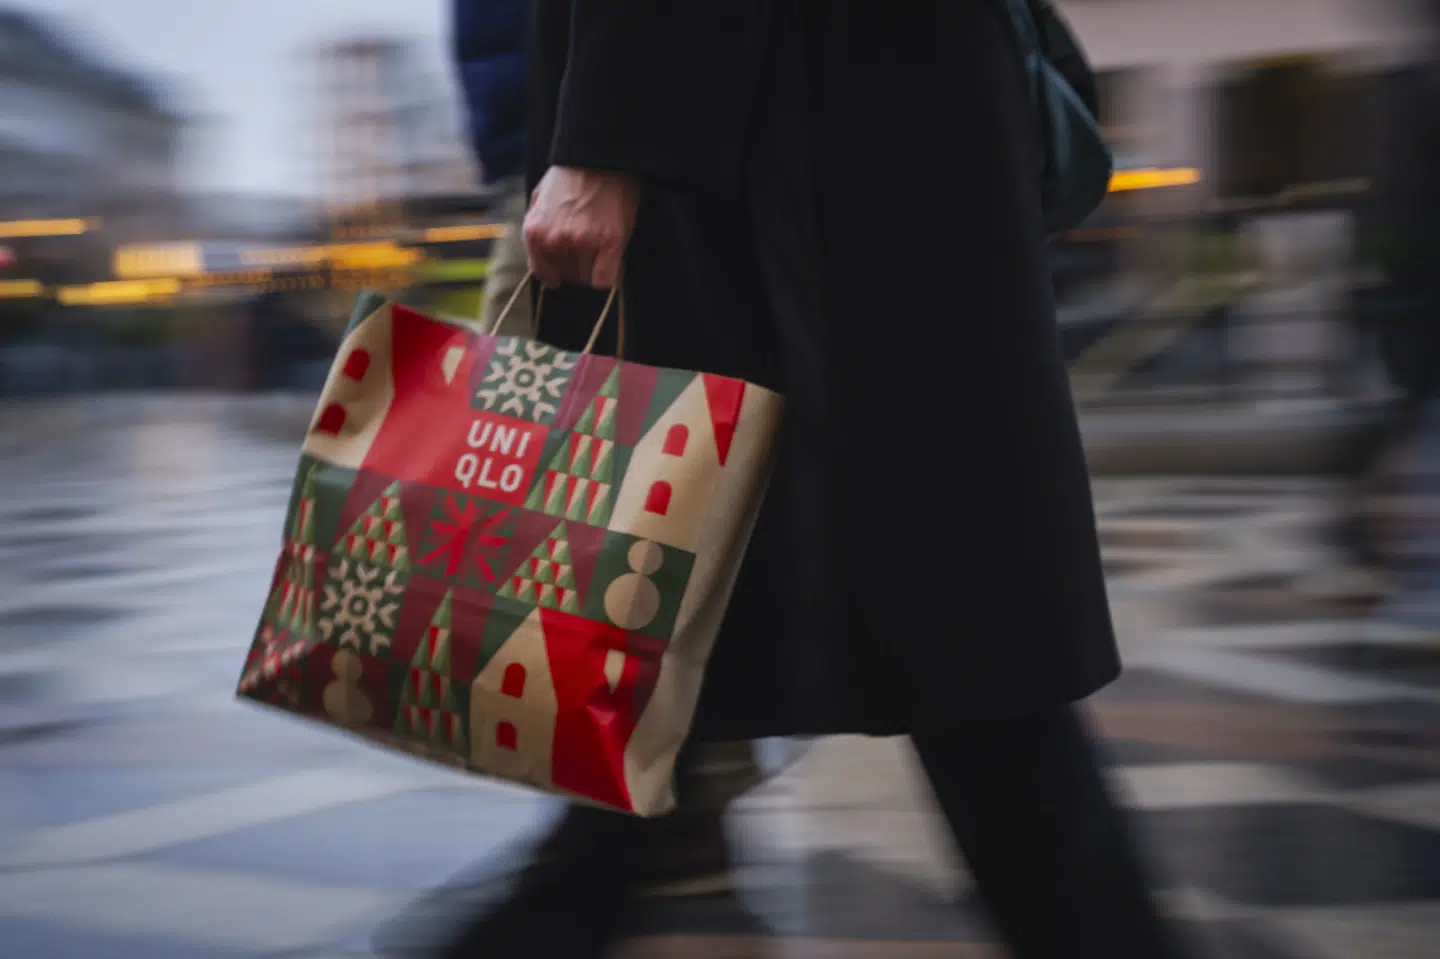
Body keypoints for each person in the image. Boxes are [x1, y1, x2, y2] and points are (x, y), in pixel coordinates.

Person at [425, 2, 1188, 957]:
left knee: (914, 618)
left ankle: (546, 919)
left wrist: (605, 139)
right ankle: (553, 913)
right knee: (854, 615)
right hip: (829, 115)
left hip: (772, 141)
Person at [438, 0, 771, 906]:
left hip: (589, 151)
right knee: (627, 503)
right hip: (563, 145)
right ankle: (669, 797)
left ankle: (648, 808)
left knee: (583, 499)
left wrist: (590, 146)